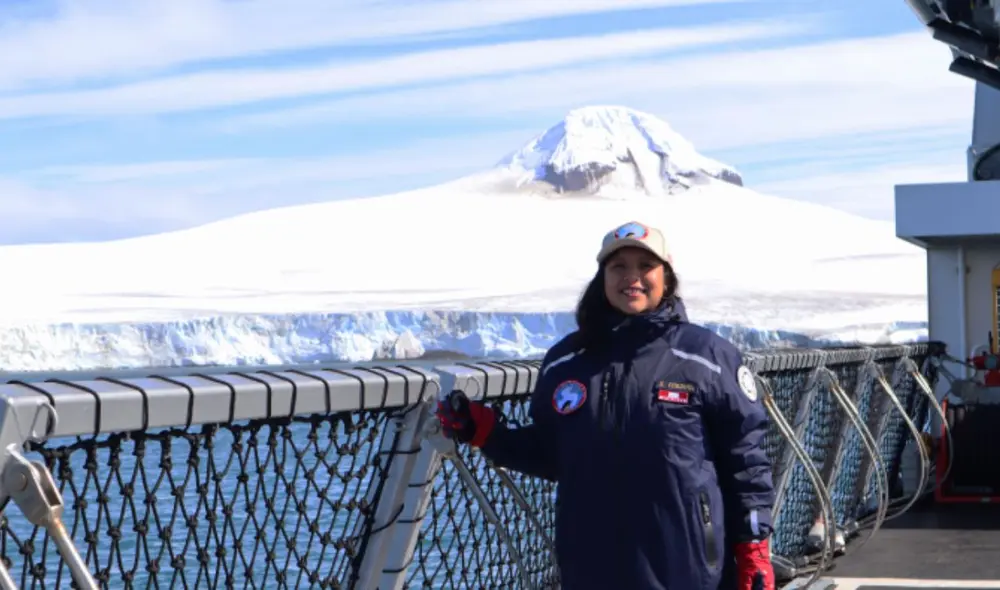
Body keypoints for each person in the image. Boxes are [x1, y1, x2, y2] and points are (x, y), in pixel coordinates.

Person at [436, 221, 776, 590]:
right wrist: (485, 431)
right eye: (619, 267)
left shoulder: (707, 357)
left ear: (667, 277)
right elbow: (553, 454)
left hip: (688, 570)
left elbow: (745, 460)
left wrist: (753, 547)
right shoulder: (566, 361)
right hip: (591, 569)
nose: (633, 277)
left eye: (646, 266)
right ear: (602, 277)